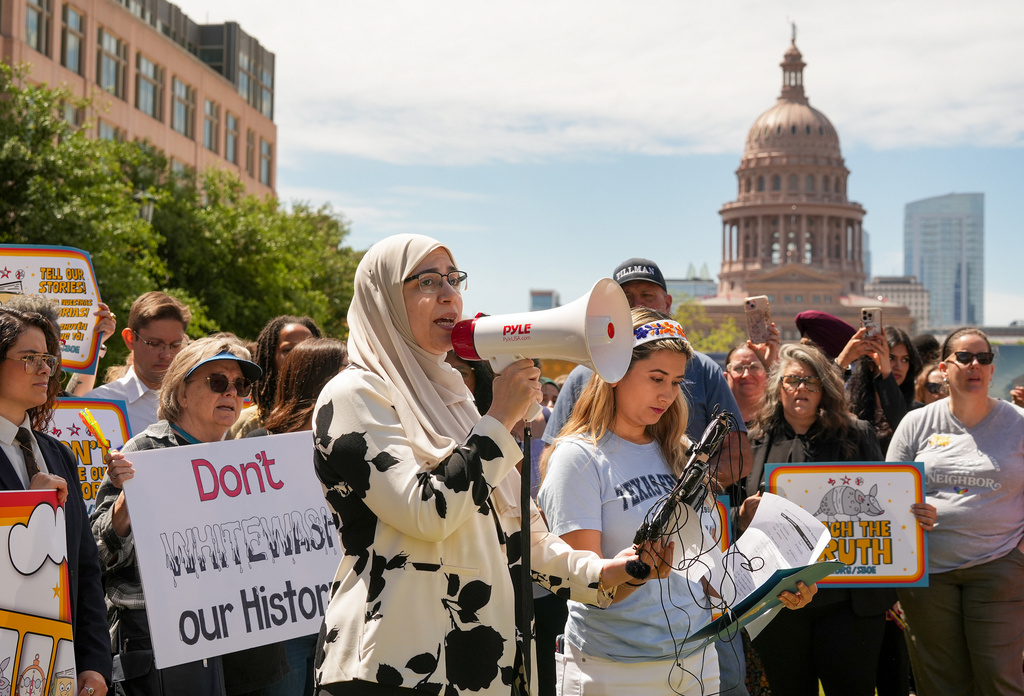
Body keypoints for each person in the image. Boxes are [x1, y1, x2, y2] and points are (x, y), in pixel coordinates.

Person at [311, 234, 652, 696]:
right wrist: (499, 417)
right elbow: (426, 511)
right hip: (394, 671)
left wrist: (606, 573)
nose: (450, 293)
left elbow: (523, 537)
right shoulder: (354, 395)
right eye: (426, 281)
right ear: (384, 298)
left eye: (454, 279)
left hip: (482, 671)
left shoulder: (453, 399)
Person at [539, 309, 817, 695]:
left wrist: (774, 589)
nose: (668, 394)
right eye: (656, 379)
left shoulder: (680, 452)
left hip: (698, 663)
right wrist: (635, 571)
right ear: (615, 373)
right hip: (614, 670)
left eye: (676, 381)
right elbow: (581, 584)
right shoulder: (578, 457)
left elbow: (706, 576)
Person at [91, 335, 287, 695]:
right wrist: (125, 507)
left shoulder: (249, 463)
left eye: (240, 385)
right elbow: (97, 555)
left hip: (247, 651)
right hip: (168, 653)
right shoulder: (146, 453)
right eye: (217, 382)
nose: (231, 393)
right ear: (181, 393)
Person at [738, 344, 891, 696]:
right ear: (779, 387)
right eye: (793, 379)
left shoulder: (858, 434)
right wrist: (741, 515)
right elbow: (725, 510)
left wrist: (914, 515)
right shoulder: (752, 439)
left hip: (849, 600)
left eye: (811, 380)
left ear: (825, 388)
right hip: (776, 598)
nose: (802, 388)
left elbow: (886, 498)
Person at [887, 327, 1024, 696]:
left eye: (984, 358)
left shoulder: (1018, 424)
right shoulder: (916, 424)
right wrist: (910, 513)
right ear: (945, 368)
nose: (975, 365)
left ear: (993, 370)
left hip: (999, 564)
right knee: (940, 681)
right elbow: (887, 496)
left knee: (999, 676)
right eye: (964, 357)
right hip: (928, 573)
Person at [0, 308, 112, 696]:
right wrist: (29, 506)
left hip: (64, 670)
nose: (44, 369)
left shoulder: (59, 454)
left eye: (48, 358)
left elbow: (85, 568)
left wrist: (95, 664)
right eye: (28, 358)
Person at [241, 338, 349, 696]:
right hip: (279, 621)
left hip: (341, 615)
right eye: (347, 372)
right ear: (319, 381)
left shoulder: (357, 447)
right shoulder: (256, 448)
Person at [84, 291, 191, 434]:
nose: (166, 355)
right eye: (154, 343)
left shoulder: (199, 402)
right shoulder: (98, 404)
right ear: (129, 339)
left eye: (176, 344)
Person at [227, 315, 323, 439]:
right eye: (288, 350)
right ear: (270, 357)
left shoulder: (334, 416)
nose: (300, 355)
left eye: (309, 348)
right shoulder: (247, 424)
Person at [843, 326, 923, 452]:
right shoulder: (847, 409)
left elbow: (900, 429)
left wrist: (886, 372)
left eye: (905, 359)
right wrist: (842, 361)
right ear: (870, 364)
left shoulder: (919, 413)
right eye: (890, 358)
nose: (899, 366)